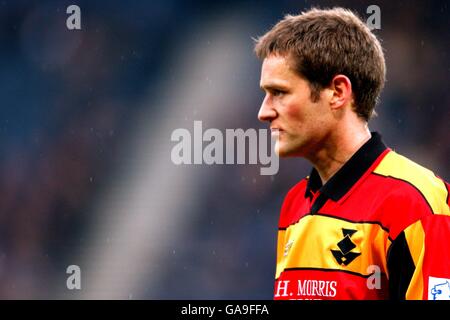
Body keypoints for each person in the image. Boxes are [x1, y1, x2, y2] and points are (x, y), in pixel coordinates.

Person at [254, 7, 450, 300]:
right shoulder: (294, 203)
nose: (263, 112)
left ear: (337, 92)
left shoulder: (416, 202)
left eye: (279, 92)